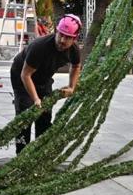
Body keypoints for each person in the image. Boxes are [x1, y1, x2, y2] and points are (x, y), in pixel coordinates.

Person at [10, 13, 83, 154]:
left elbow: (76, 67)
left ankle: (39, 153)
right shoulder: (40, 46)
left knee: (45, 114)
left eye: (67, 37)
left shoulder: (74, 50)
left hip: (44, 78)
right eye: (60, 34)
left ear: (74, 38)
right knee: (25, 116)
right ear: (56, 31)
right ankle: (21, 156)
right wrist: (36, 99)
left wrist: (72, 87)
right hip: (22, 77)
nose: (62, 40)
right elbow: (25, 75)